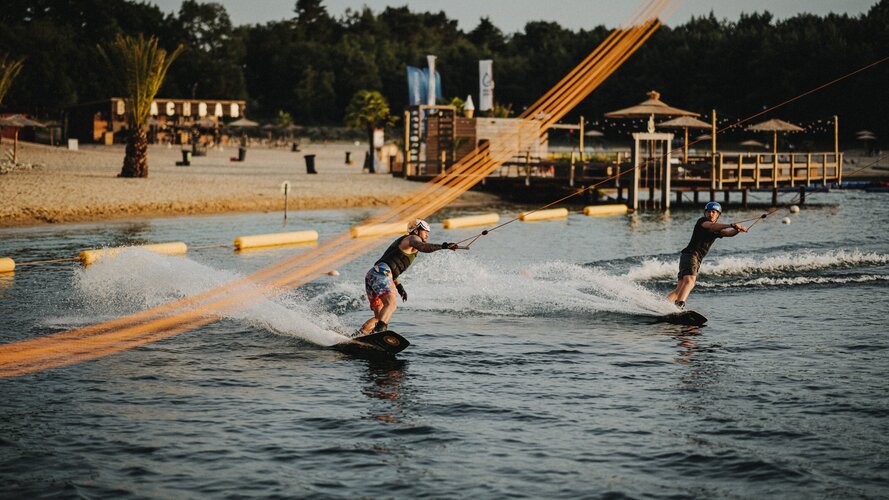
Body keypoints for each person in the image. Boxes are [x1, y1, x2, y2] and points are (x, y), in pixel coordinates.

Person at [358, 219, 458, 336]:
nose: (427, 235)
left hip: (374, 274)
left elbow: (391, 267)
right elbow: (423, 247)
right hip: (381, 273)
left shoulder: (405, 244)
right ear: (416, 231)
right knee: (391, 305)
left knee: (379, 316)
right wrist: (444, 246)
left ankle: (360, 335)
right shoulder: (412, 239)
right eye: (425, 231)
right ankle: (379, 333)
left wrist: (399, 287)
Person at [666, 202, 747, 309]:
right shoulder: (702, 221)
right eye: (708, 211)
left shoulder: (717, 230)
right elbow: (712, 226)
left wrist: (737, 230)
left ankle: (662, 305)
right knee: (690, 282)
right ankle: (679, 306)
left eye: (714, 212)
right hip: (691, 256)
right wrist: (730, 225)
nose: (711, 214)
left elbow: (728, 233)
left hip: (689, 257)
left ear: (718, 214)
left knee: (679, 289)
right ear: (705, 213)